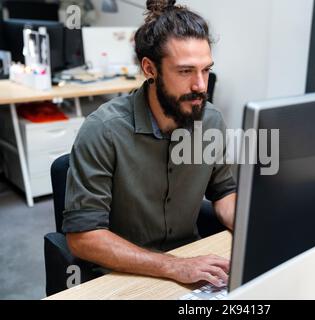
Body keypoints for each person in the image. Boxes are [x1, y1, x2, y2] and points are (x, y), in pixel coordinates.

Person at [62, 0, 236, 288]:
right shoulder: (103, 131)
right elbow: (82, 238)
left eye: (206, 70)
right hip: (121, 276)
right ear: (150, 69)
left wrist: (257, 229)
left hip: (189, 267)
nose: (201, 86)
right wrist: (173, 266)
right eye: (185, 72)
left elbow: (224, 193)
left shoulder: (210, 122)